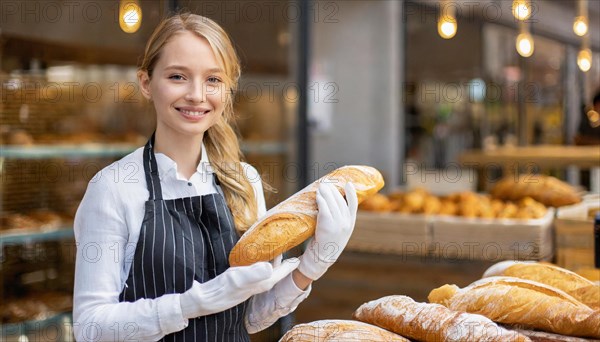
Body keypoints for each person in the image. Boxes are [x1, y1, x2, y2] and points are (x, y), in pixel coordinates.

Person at [72, 13, 358, 342]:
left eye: (213, 80)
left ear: (227, 90)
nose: (197, 94)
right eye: (178, 76)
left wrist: (313, 265)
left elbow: (249, 318)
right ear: (147, 83)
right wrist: (193, 303)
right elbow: (90, 327)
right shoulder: (114, 189)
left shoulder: (243, 181)